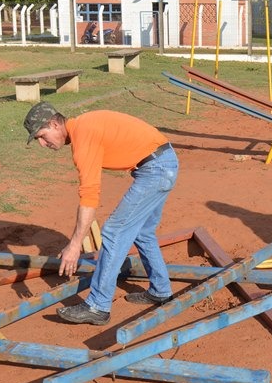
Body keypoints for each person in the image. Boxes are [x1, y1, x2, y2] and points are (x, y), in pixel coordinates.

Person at [23, 102, 178, 325]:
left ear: (54, 124)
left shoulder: (83, 135)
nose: (41, 143)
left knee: (114, 231)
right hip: (162, 162)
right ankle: (161, 289)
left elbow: (89, 196)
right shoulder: (83, 127)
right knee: (143, 232)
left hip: (156, 170)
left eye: (41, 135)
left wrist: (75, 244)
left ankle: (98, 305)